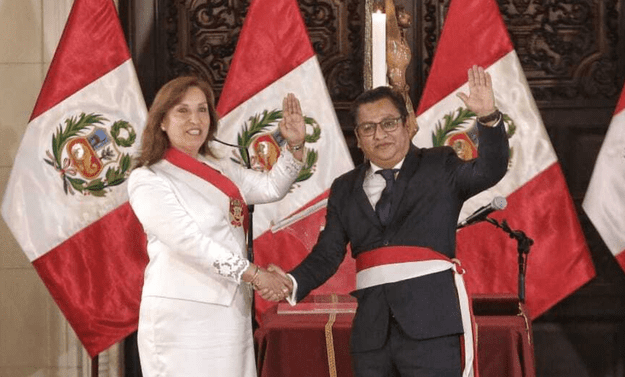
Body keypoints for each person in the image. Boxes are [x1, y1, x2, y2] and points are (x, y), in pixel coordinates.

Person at [265, 65, 510, 376]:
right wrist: (291, 281)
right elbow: (327, 253)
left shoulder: (440, 164)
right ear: (358, 138)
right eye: (368, 128)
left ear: (407, 125)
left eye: (389, 123)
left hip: (432, 327)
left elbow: (491, 169)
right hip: (372, 335)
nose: (379, 135)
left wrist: (489, 118)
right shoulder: (344, 187)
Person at [127, 76, 304, 377]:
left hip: (230, 311)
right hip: (182, 317)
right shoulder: (148, 178)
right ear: (162, 122)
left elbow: (272, 188)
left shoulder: (221, 167)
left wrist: (295, 143)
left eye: (202, 110)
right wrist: (255, 274)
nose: (195, 120)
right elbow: (190, 243)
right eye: (182, 111)